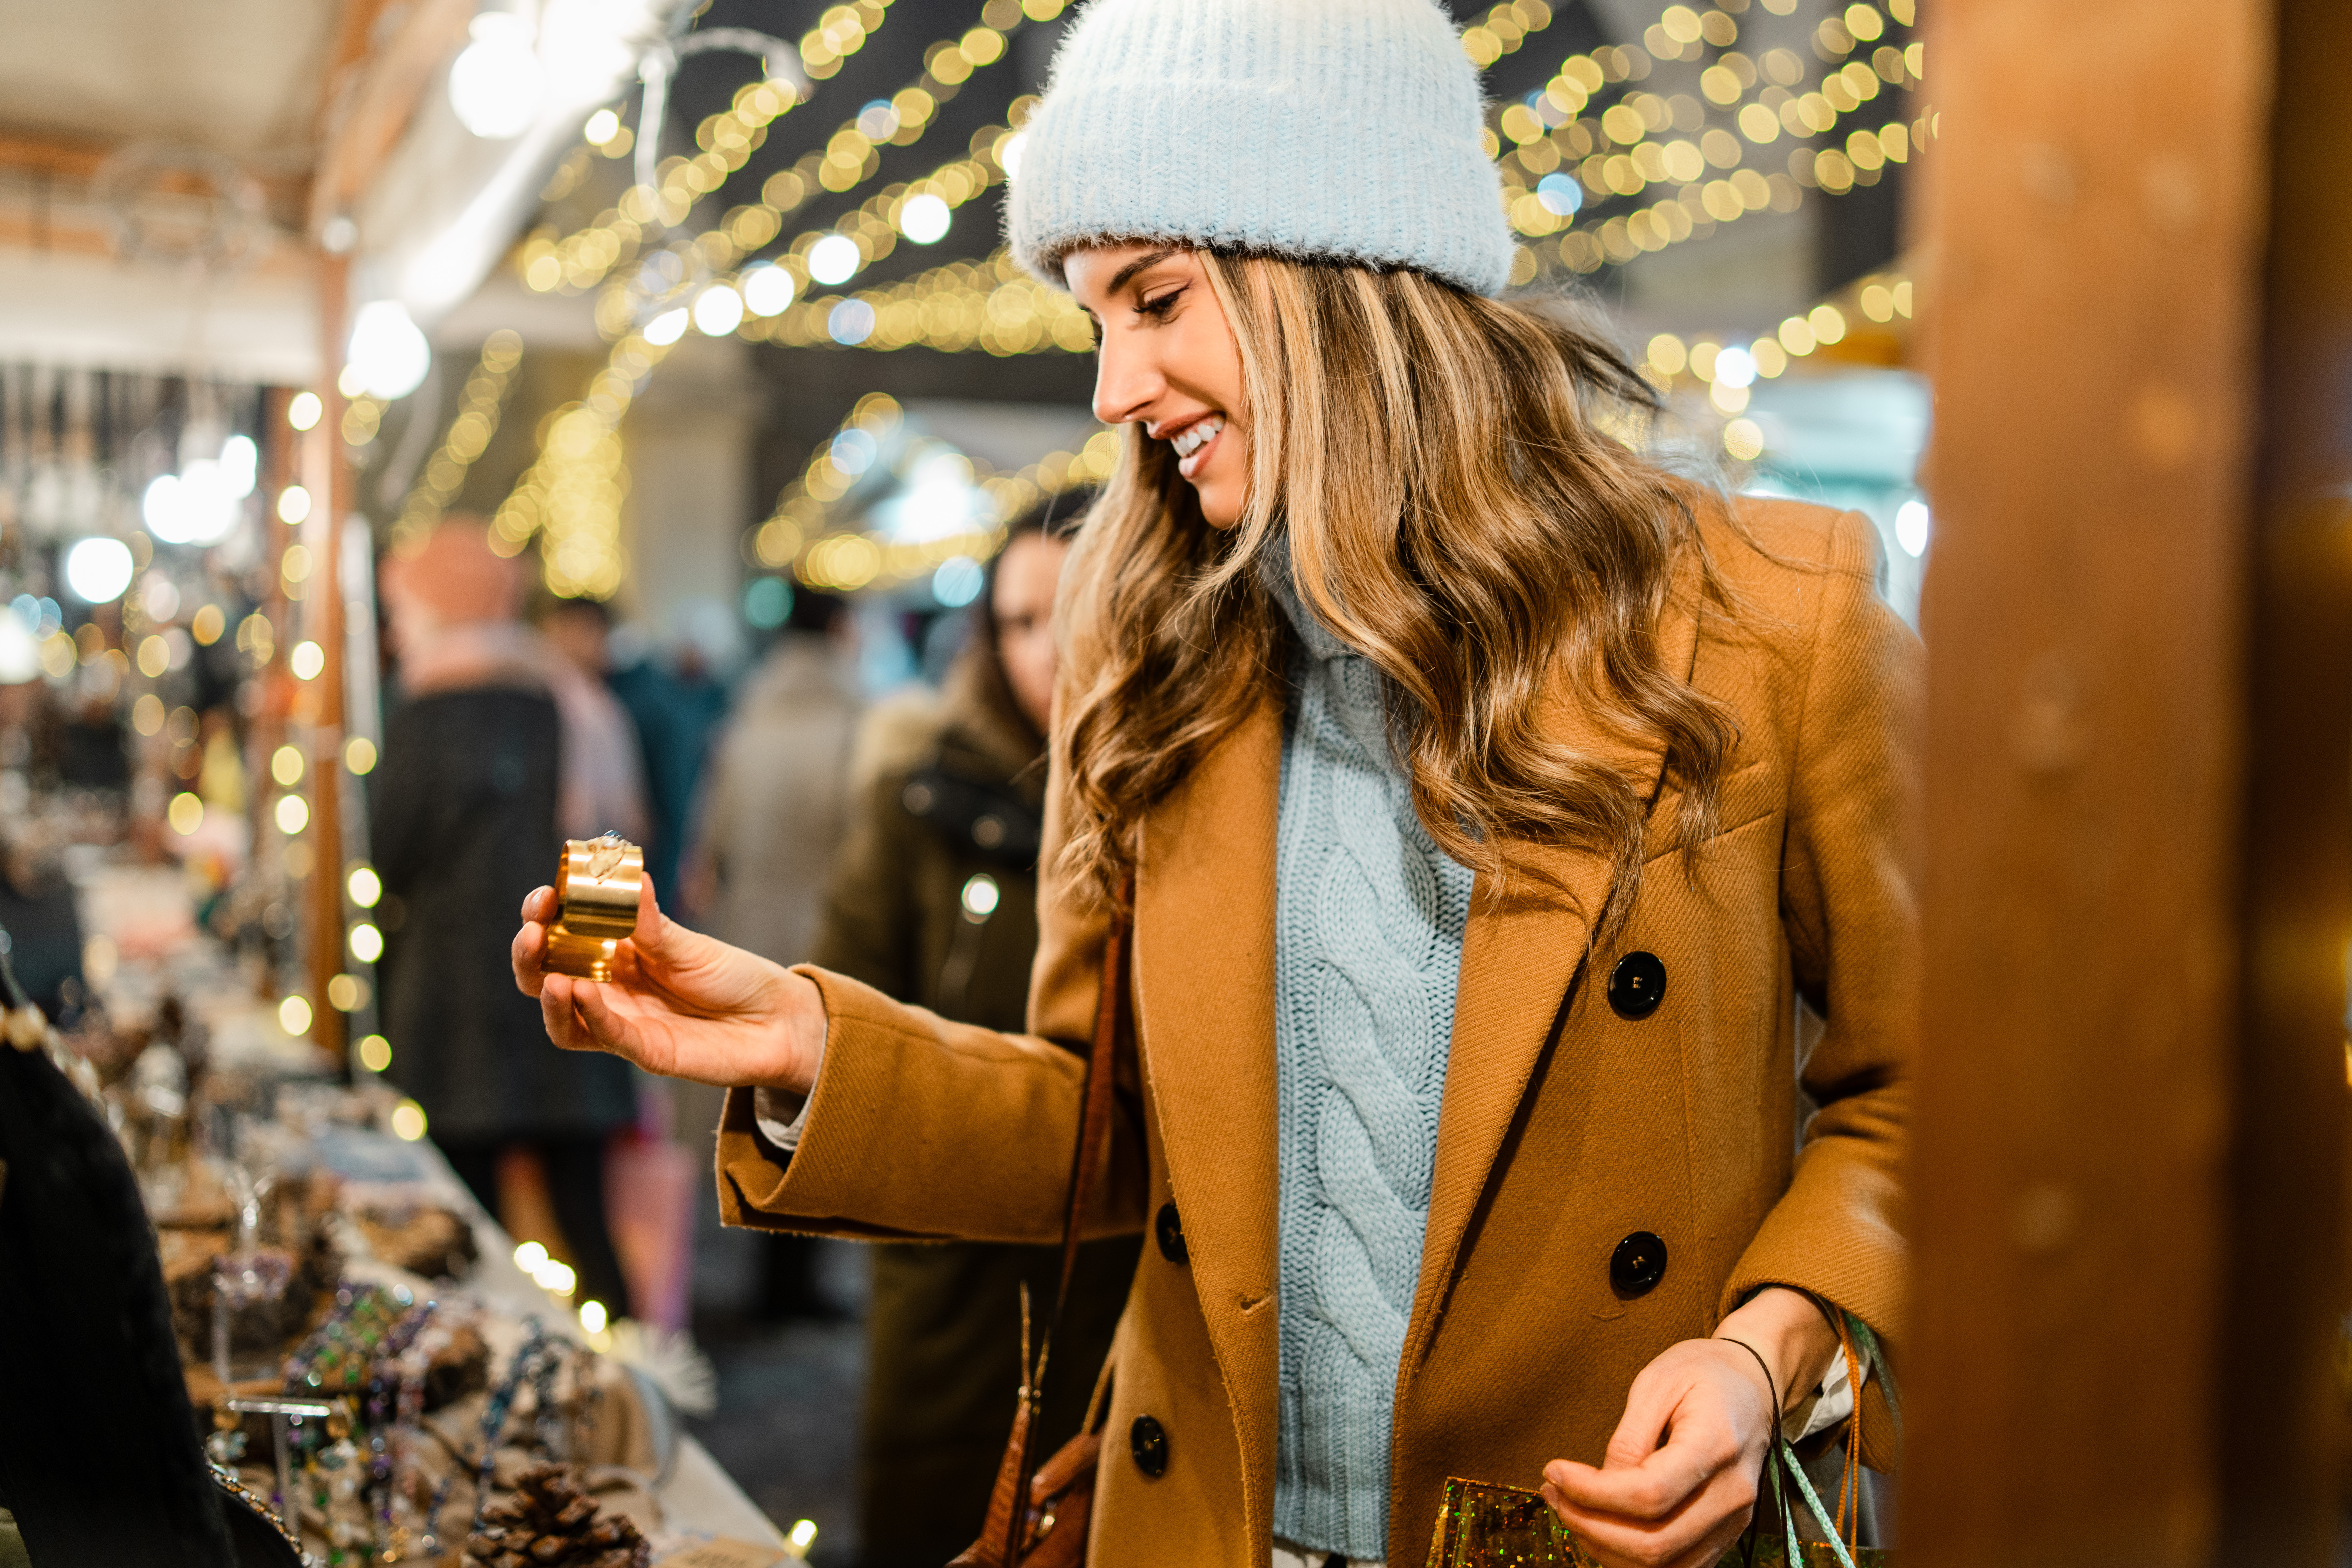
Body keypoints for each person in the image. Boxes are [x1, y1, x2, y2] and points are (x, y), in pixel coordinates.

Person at [513, 2, 1918, 1564]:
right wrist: (800, 1042)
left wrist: (1763, 1350)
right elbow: (1104, 1124)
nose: (1114, 386)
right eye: (1093, 318)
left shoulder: (1769, 616)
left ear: (1341, 275)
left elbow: (1925, 1100)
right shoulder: (1152, 641)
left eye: (1157, 299)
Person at [811, 495, 1140, 1566]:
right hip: (951, 1273)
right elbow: (847, 1012)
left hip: (1122, 1285)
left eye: (1073, 613)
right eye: (1018, 621)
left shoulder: (1173, 808)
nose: (1048, 650)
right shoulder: (919, 805)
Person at [376, 518, 640, 1318]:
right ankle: (629, 1395)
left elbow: (389, 848)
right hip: (566, 991)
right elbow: (615, 853)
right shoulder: (570, 695)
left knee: (472, 1235)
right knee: (587, 1225)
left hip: (458, 1010)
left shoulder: (429, 703)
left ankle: (504, 1392)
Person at [682, 586, 861, 1320]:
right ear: (842, 632)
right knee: (821, 1109)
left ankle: (762, 1262)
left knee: (755, 1105)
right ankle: (798, 1276)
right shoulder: (860, 727)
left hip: (748, 933)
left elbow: (706, 852)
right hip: (829, 936)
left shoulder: (745, 724)